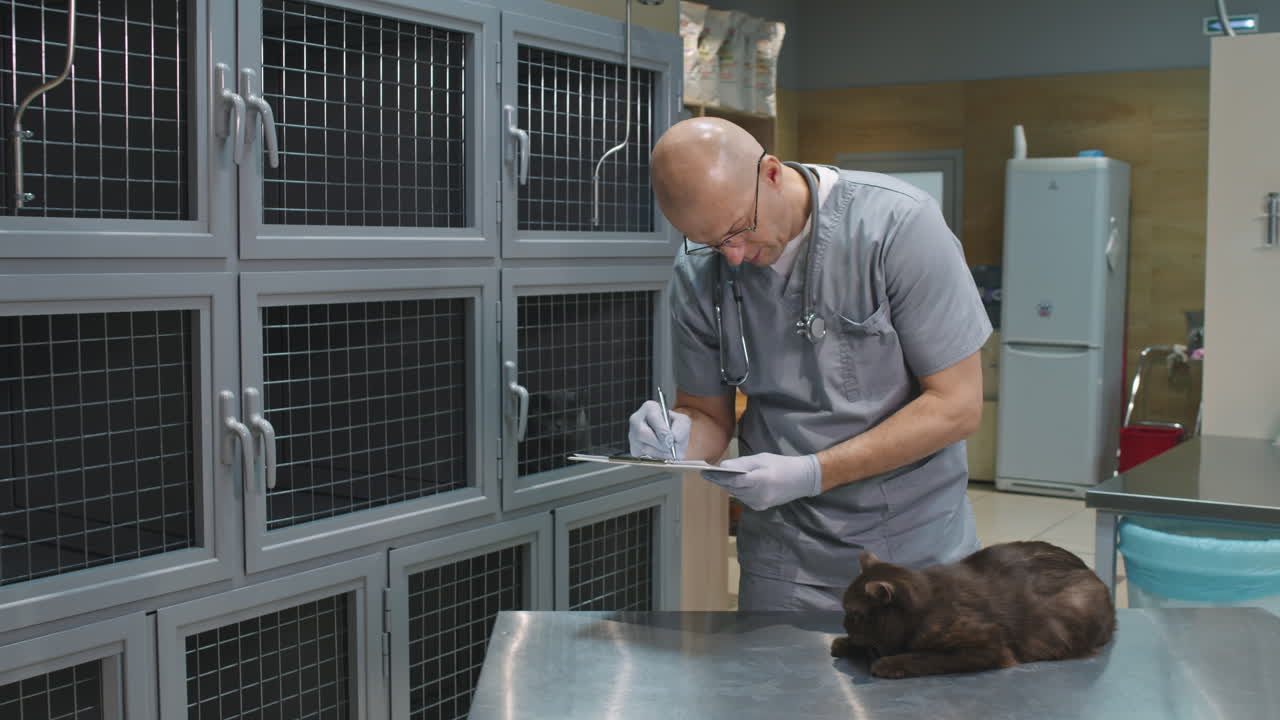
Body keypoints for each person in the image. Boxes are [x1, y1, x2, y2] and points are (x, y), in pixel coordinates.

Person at [628, 117, 991, 611]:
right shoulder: (698, 269)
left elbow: (958, 406)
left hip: (912, 552)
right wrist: (673, 438)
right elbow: (708, 416)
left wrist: (812, 472)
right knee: (776, 687)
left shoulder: (897, 227)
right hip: (785, 559)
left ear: (772, 173)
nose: (732, 258)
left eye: (738, 231)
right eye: (713, 243)